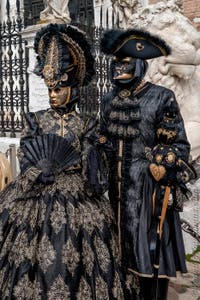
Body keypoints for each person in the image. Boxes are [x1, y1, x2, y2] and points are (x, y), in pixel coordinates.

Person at [0, 24, 127, 299]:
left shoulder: (87, 122)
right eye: (49, 89)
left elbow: (95, 164)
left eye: (59, 88)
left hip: (77, 192)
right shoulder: (36, 119)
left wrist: (92, 153)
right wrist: (37, 170)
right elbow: (26, 151)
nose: (53, 94)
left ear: (73, 87)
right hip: (38, 189)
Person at [100, 28, 196, 300]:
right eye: (116, 62)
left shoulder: (161, 97)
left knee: (149, 255)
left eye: (126, 62)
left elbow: (180, 146)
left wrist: (162, 165)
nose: (119, 67)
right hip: (115, 195)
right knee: (119, 259)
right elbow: (103, 139)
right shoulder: (108, 100)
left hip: (148, 194)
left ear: (140, 63)